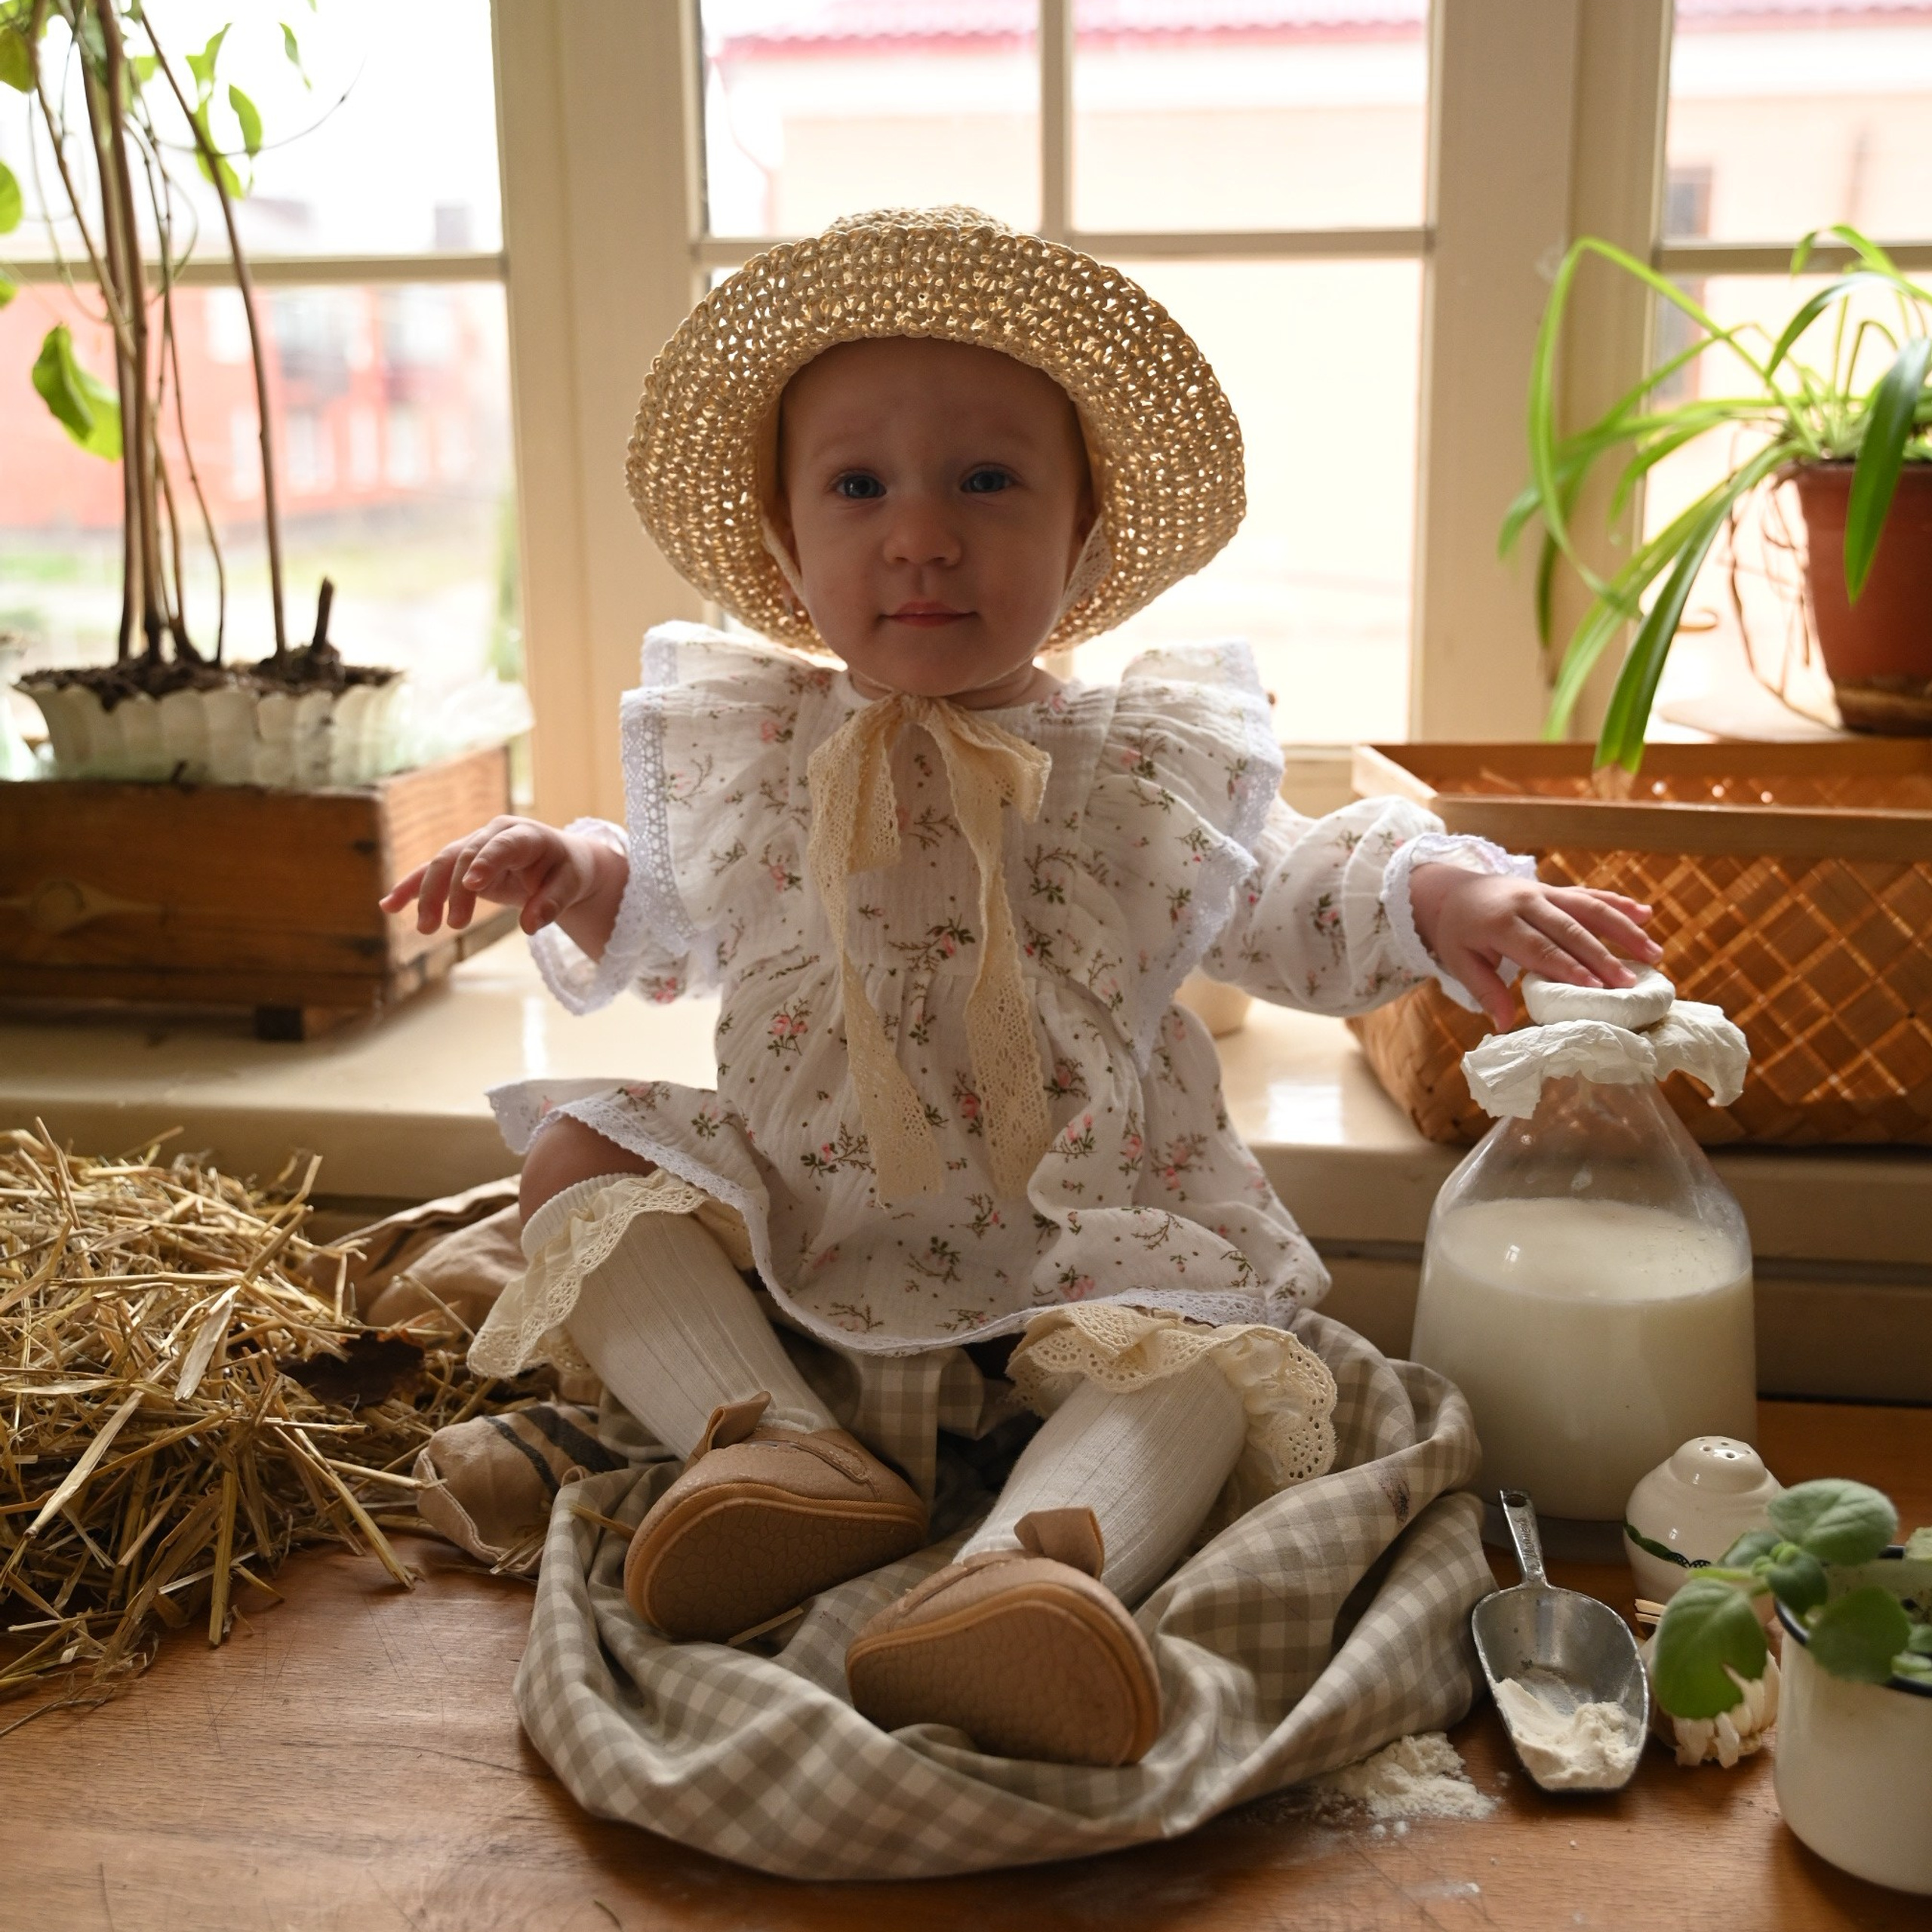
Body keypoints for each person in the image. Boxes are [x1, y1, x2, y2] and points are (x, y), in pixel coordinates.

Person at [383, 208, 1659, 1769]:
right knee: (575, 1158)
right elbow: (670, 903)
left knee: (1220, 1354)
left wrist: (1442, 891)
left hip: (1085, 1247)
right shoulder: (765, 749)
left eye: (986, 482)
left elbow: (1284, 889)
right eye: (858, 487)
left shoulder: (1137, 763)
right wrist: (571, 866)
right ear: (784, 542)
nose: (921, 534)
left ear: (1085, 532)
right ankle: (768, 1444)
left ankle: (1030, 1571)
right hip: (809, 1239)